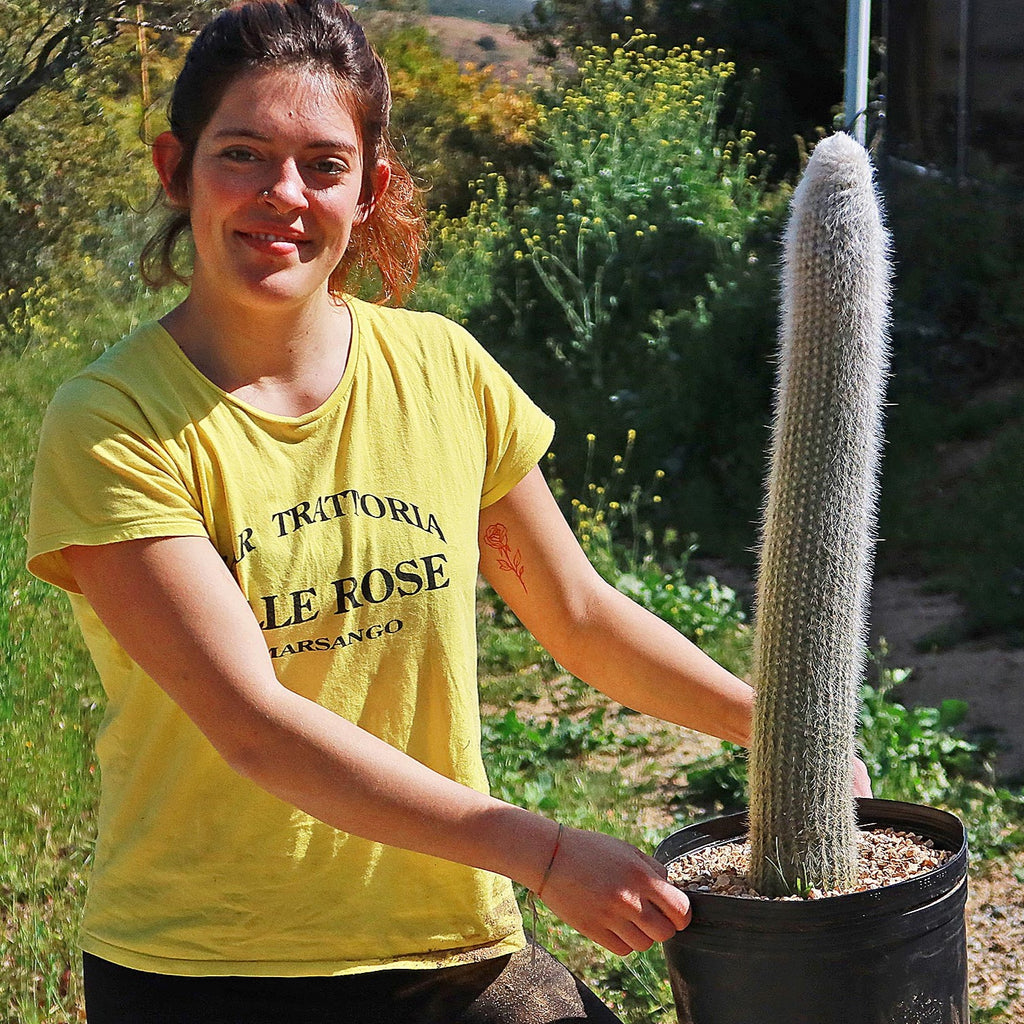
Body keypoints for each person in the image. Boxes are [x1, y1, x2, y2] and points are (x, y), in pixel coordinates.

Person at [25, 2, 866, 1020]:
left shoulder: (442, 370)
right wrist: (544, 850)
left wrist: (784, 734)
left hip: (447, 950)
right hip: (212, 968)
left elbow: (581, 615)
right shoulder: (114, 421)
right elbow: (253, 726)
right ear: (176, 166)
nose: (282, 196)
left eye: (323, 164)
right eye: (242, 153)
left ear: (369, 188)